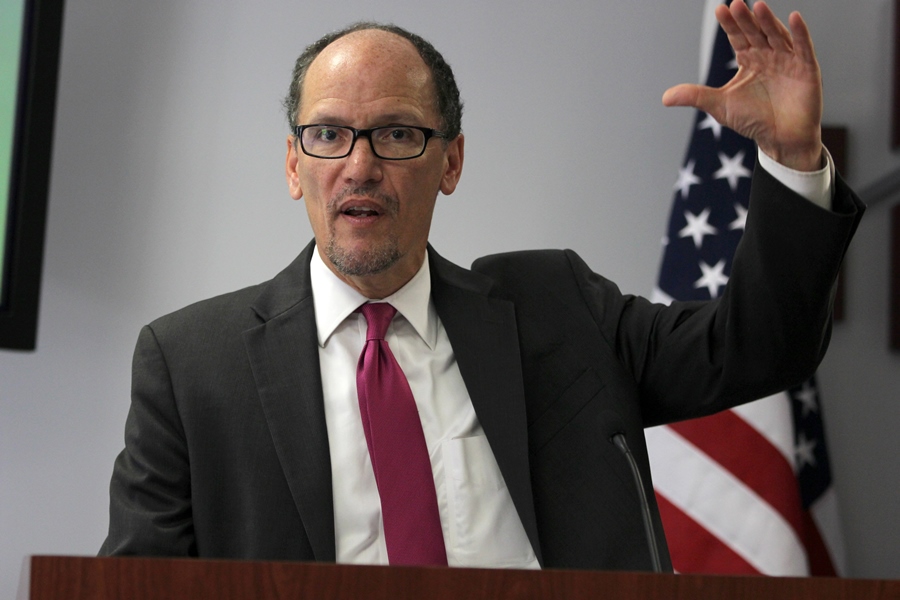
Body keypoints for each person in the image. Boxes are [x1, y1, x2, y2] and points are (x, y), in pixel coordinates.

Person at [100, 1, 863, 572]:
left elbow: (759, 350)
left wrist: (795, 157)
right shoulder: (191, 363)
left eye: (397, 134)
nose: (359, 166)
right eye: (329, 134)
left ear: (452, 161)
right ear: (294, 164)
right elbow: (135, 583)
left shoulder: (557, 307)